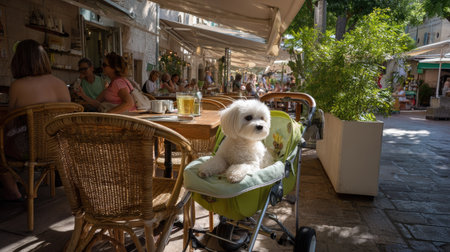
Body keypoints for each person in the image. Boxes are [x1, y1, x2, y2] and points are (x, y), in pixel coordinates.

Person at [1, 39, 70, 201]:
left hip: (30, 149)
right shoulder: (60, 84)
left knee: (2, 147)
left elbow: (12, 120)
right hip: (59, 147)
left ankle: (15, 191)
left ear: (19, 61)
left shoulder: (18, 85)